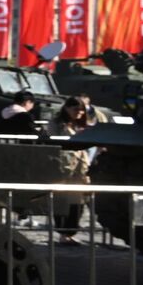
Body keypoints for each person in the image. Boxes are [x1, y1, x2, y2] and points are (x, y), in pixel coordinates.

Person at [48, 99, 94, 244]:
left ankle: (70, 232)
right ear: (67, 108)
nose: (79, 114)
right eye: (75, 110)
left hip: (80, 168)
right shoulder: (56, 123)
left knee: (78, 202)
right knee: (61, 201)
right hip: (64, 166)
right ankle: (63, 233)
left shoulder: (81, 123)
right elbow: (54, 141)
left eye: (81, 111)